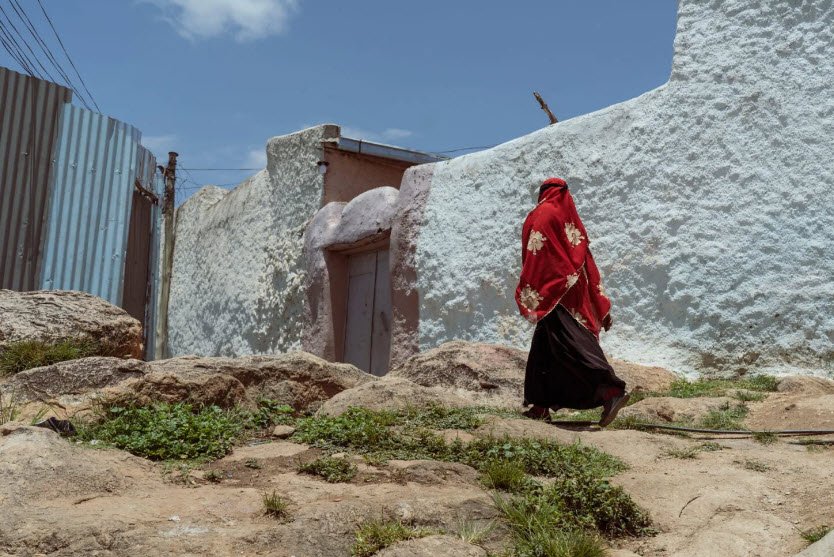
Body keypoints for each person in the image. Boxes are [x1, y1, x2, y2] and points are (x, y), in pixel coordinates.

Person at [515, 177, 628, 426]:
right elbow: (584, 259)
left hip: (555, 292)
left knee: (573, 343)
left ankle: (612, 391)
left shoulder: (541, 214)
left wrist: (536, 288)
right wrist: (598, 301)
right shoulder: (567, 218)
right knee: (544, 349)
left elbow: (538, 255)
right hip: (572, 290)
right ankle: (541, 405)